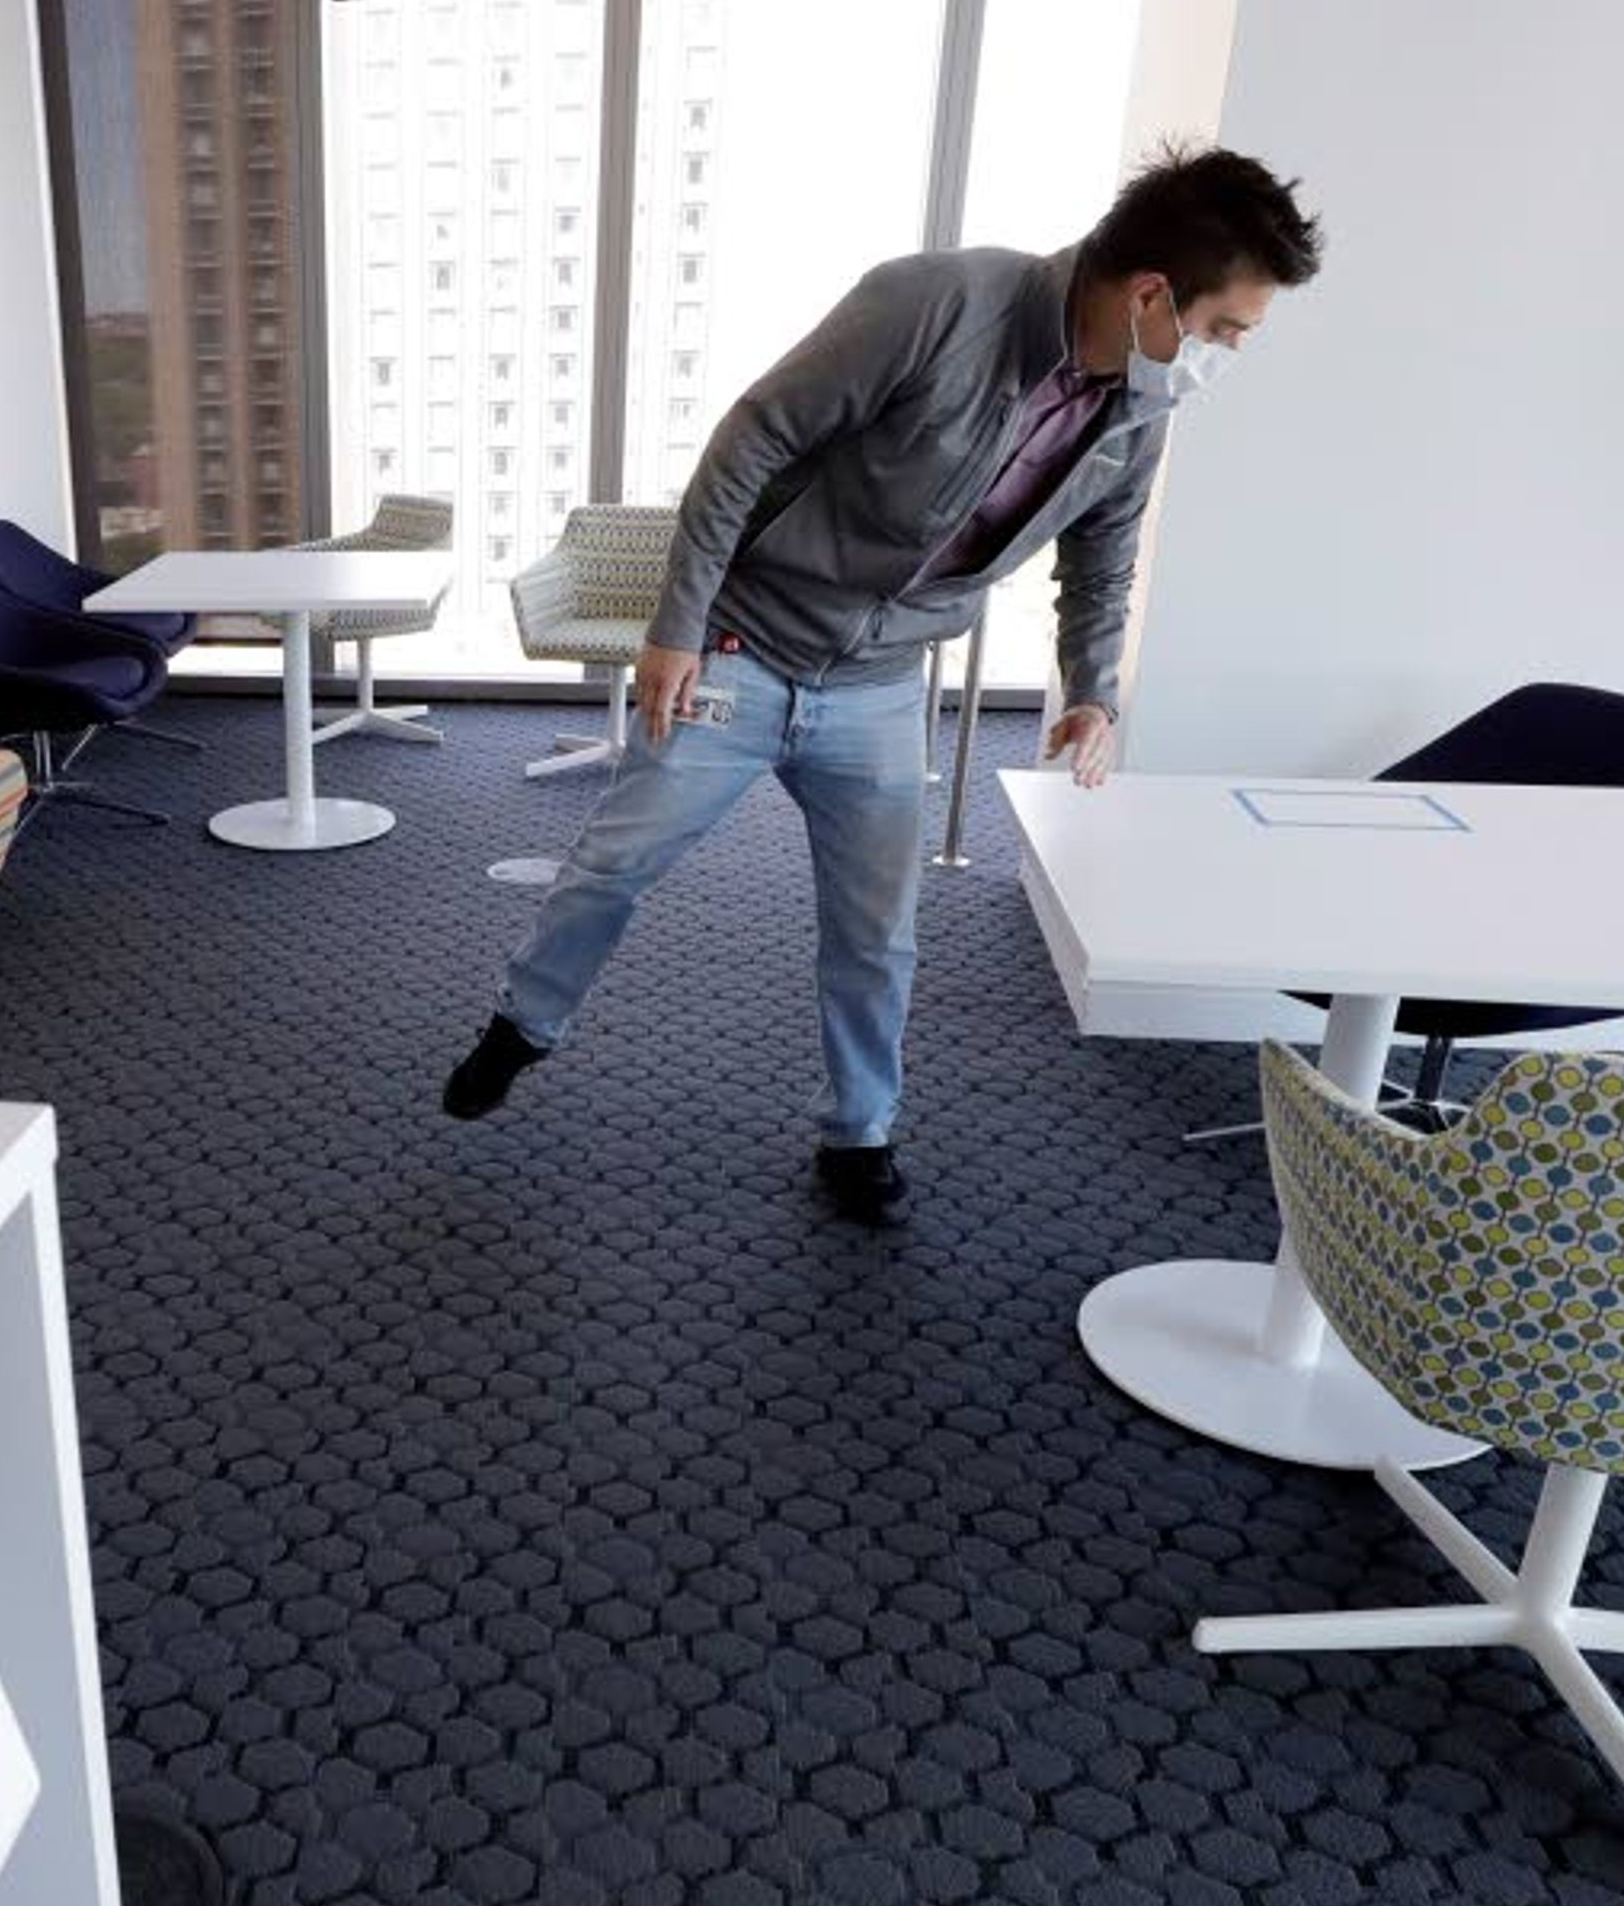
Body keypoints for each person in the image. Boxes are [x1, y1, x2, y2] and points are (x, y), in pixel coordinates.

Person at [441, 144, 1323, 1223]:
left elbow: (1104, 555)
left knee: (877, 929)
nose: (1224, 355)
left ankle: (859, 1130)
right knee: (616, 863)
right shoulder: (940, 303)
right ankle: (524, 1024)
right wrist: (676, 625)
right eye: (1225, 329)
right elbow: (753, 439)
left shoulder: (1139, 407)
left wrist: (1092, 689)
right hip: (745, 647)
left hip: (880, 685)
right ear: (1153, 295)